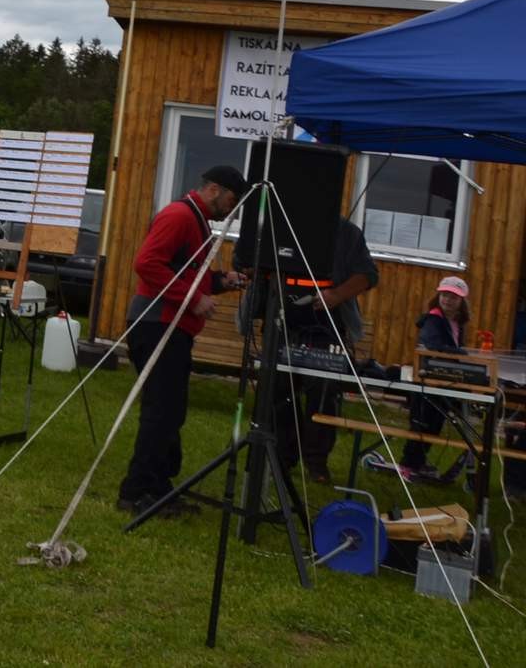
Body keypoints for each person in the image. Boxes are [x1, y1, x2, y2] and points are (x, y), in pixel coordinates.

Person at [115, 165, 250, 517]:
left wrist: (221, 281)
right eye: (232, 202)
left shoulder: (199, 222)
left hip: (173, 327)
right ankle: (135, 492)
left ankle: (159, 487)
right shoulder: (179, 216)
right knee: (160, 413)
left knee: (172, 412)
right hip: (157, 324)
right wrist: (193, 299)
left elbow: (188, 272)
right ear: (214, 190)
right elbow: (147, 264)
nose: (232, 211)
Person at [235, 215, 378, 483]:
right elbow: (243, 263)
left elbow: (367, 275)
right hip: (279, 326)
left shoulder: (346, 232)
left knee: (323, 394)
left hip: (326, 330)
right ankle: (281, 457)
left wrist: (336, 295)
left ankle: (316, 461)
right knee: (277, 393)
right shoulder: (274, 226)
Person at [396, 275, 472, 480]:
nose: (448, 300)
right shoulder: (433, 319)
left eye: (453, 297)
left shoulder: (457, 323)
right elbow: (433, 346)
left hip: (441, 381)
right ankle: (408, 464)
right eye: (445, 295)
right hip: (427, 379)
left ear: (461, 301)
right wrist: (461, 354)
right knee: (422, 423)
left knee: (435, 424)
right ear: (438, 296)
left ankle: (418, 462)